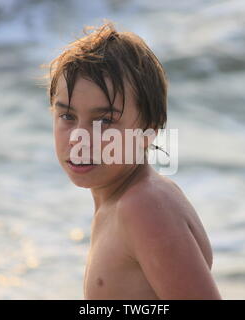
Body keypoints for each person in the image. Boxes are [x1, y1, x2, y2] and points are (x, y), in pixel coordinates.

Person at [46, 20, 222, 300]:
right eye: (67, 116)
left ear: (148, 129)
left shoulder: (143, 207)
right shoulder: (120, 201)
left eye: (104, 121)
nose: (79, 138)